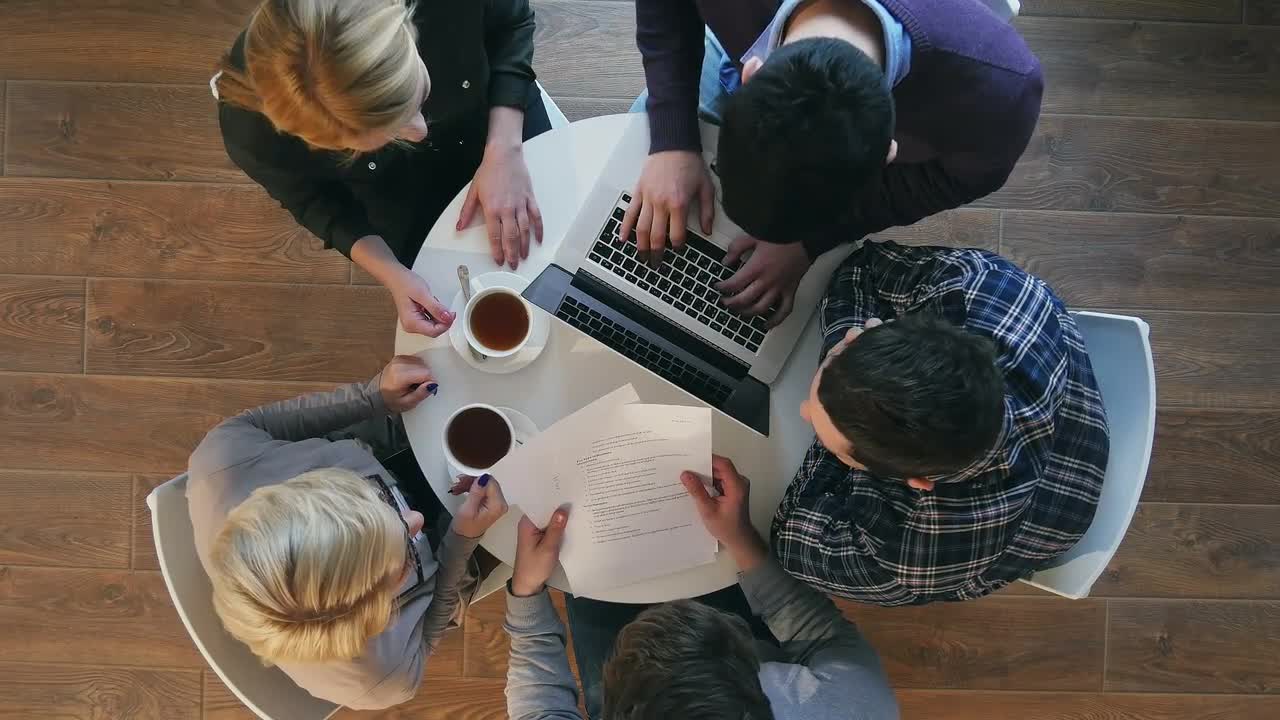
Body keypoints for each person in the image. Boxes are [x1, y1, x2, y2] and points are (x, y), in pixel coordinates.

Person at [622, 0, 1043, 327]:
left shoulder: (1004, 95)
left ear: (888, 156)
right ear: (750, 72)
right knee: (632, 159)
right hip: (741, 24)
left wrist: (809, 243)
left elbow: (956, 179)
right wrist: (673, 140)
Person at [761, 242, 1109, 605]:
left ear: (917, 483)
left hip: (1045, 524)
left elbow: (788, 539)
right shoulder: (984, 285)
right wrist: (839, 400)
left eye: (819, 428)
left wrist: (833, 403)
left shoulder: (907, 551)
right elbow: (860, 268)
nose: (803, 410)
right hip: (1073, 424)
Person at [213, 0, 551, 338]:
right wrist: (391, 273)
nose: (419, 132)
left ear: (405, 25)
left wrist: (504, 148)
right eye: (389, 134)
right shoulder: (253, 135)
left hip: (496, 112)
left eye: (416, 99)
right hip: (395, 185)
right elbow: (313, 203)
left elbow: (511, 24)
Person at [187, 355, 510, 709]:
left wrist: (371, 397)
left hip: (383, 444)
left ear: (309, 485)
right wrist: (462, 540)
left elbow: (262, 424)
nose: (416, 519)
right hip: (453, 561)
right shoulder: (382, 679)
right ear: (377, 614)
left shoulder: (221, 463)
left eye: (377, 497)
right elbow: (431, 622)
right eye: (400, 562)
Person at [500, 456, 899, 720]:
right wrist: (746, 543)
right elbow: (825, 637)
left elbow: (538, 710)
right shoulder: (851, 708)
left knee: (584, 581)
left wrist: (527, 592)